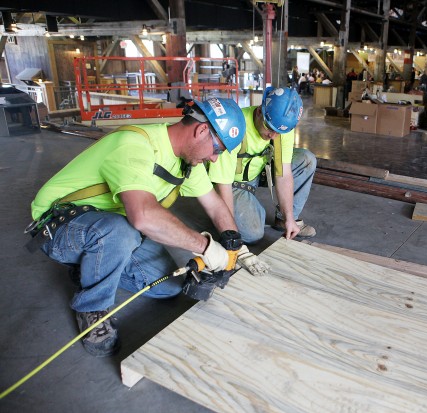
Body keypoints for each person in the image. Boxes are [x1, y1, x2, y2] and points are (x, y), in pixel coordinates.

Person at [26, 97, 269, 357]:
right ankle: (91, 308)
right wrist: (206, 247)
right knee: (120, 231)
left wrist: (235, 245)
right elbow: (142, 217)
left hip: (110, 225)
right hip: (60, 226)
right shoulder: (135, 145)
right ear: (200, 131)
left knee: (168, 287)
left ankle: (91, 267)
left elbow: (215, 205)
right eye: (217, 150)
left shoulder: (186, 163)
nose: (213, 158)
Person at [208, 87, 317, 244]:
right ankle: (215, 215)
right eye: (269, 128)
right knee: (252, 234)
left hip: (259, 173)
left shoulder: (281, 128)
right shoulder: (235, 127)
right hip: (233, 184)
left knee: (306, 159)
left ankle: (285, 222)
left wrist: (289, 217)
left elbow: (283, 174)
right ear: (259, 111)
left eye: (278, 132)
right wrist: (229, 233)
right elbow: (223, 183)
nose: (273, 136)